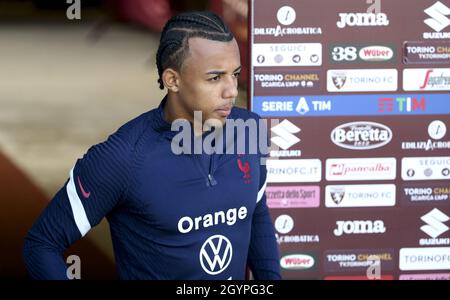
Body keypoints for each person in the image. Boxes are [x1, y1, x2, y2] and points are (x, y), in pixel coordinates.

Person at [23, 11, 281, 280]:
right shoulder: (122, 158)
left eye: (235, 74)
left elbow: (256, 210)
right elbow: (41, 244)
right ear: (173, 80)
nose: (231, 90)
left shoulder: (250, 130)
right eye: (215, 78)